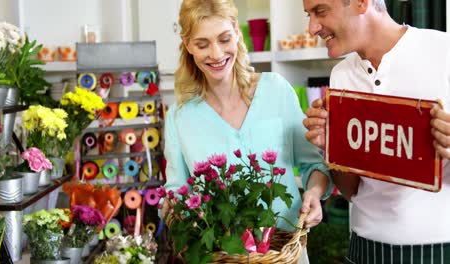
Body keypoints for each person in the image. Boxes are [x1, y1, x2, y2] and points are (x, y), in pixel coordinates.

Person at [162, 0, 332, 261]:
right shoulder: (179, 117)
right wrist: (172, 211)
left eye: (224, 39)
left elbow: (314, 165)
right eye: (202, 44)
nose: (216, 54)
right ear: (188, 46)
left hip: (285, 256)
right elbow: (176, 194)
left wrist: (314, 194)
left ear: (237, 34)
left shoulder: (276, 90)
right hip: (222, 258)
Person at [302, 0, 450, 263]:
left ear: (361, 3)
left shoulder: (443, 52)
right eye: (309, 15)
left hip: (438, 247)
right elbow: (352, 192)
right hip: (364, 248)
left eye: (320, 11)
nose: (312, 28)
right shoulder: (341, 76)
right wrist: (331, 148)